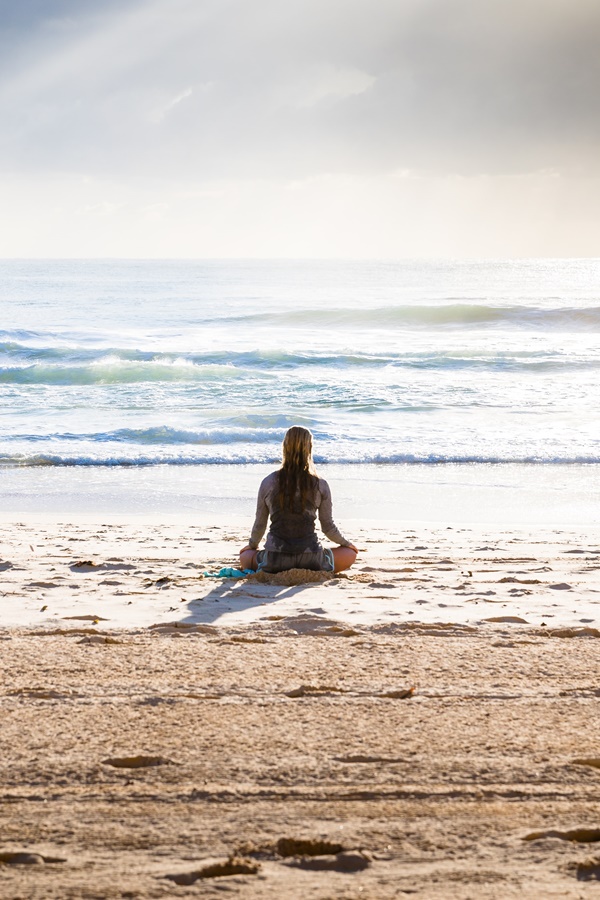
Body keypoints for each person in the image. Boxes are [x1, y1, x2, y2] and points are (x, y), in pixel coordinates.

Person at [239, 426, 358, 574]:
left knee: (244, 556)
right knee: (350, 553)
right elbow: (328, 527)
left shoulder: (268, 482)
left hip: (275, 559)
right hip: (311, 558)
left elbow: (260, 525)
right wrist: (347, 544)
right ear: (309, 448)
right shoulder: (320, 484)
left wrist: (251, 545)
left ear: (284, 447)